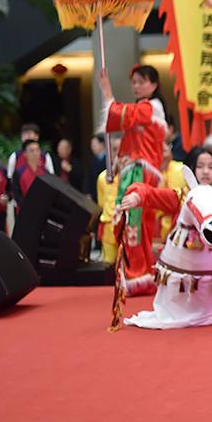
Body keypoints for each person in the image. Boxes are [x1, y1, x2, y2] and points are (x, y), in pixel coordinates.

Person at [118, 144, 212, 329]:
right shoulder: (181, 197)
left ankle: (209, 309)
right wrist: (137, 196)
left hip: (210, 273)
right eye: (200, 166)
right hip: (179, 269)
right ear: (190, 169)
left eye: (211, 167)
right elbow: (152, 194)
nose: (206, 172)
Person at [97, 63, 167, 296]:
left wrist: (107, 92)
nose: (136, 86)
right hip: (140, 172)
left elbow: (119, 115)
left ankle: (136, 273)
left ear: (154, 85)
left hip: (140, 173)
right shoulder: (146, 110)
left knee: (133, 222)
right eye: (134, 82)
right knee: (140, 225)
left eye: (141, 82)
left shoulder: (150, 107)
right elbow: (126, 135)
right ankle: (141, 273)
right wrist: (118, 163)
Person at [96, 140, 121, 264]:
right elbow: (101, 204)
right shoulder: (102, 177)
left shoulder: (135, 176)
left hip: (127, 228)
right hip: (108, 227)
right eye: (115, 149)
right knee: (108, 265)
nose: (119, 153)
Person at [11, 139, 47, 212]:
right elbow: (16, 193)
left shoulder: (45, 172)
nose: (35, 153)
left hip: (41, 211)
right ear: (25, 154)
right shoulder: (19, 172)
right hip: (24, 211)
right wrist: (28, 206)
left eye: (37, 150)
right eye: (32, 151)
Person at [85, 132, 107, 197]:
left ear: (102, 145)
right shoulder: (92, 161)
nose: (92, 148)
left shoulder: (109, 159)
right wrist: (88, 193)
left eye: (94, 145)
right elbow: (89, 179)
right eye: (92, 146)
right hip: (95, 194)